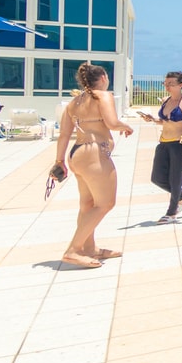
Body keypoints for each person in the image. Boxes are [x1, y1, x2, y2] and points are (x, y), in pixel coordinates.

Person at [52, 63, 134, 268]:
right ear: (104, 78)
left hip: (77, 153)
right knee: (106, 203)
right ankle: (73, 250)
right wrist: (126, 126)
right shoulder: (103, 96)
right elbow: (112, 123)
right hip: (95, 154)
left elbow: (64, 134)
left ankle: (89, 248)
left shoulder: (74, 102)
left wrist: (59, 161)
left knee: (87, 205)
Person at [138, 70, 182, 224]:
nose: (167, 86)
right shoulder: (165, 100)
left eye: (171, 83)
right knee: (157, 178)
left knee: (175, 179)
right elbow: (165, 121)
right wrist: (153, 119)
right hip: (164, 143)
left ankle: (171, 213)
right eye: (165, 83)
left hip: (179, 144)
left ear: (181, 85)